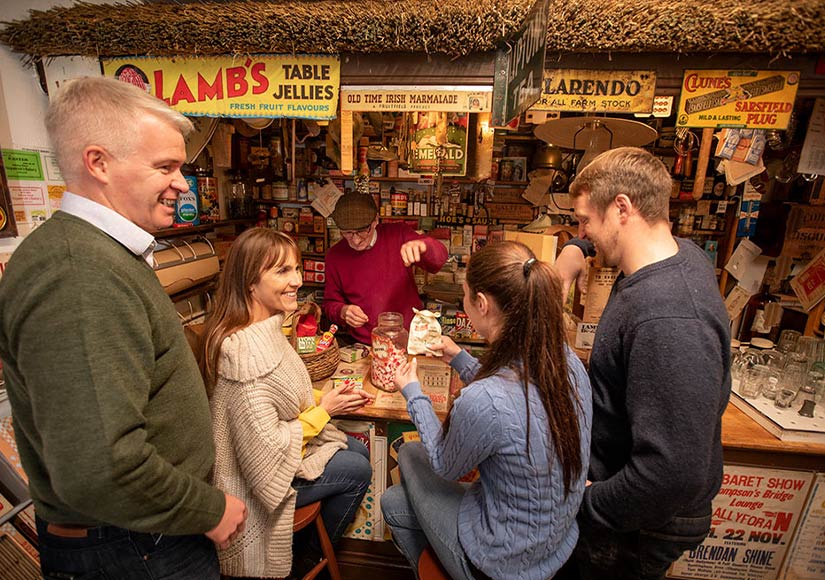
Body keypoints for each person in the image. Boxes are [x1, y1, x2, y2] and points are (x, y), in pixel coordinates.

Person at [0, 76, 247, 579]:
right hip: (133, 548)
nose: (182, 183)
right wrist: (208, 510)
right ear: (98, 163)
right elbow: (100, 466)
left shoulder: (103, 254)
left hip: (144, 537)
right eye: (166, 167)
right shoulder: (78, 273)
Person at [556, 147, 731, 580]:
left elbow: (672, 473)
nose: (582, 231)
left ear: (621, 208)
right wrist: (576, 251)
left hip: (637, 524)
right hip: (634, 506)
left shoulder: (668, 318)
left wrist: (589, 504)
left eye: (585, 221)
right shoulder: (679, 255)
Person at [380, 241, 592, 580]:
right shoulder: (566, 361)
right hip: (556, 545)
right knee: (397, 497)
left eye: (465, 296)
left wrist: (412, 392)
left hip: (503, 561)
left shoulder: (483, 400)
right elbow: (516, 393)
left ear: (481, 303)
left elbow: (446, 465)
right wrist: (459, 356)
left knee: (408, 456)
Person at [199, 227, 374, 579]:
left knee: (357, 449)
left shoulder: (268, 327)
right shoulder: (241, 353)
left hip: (279, 456)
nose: (296, 280)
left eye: (296, 268)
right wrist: (326, 411)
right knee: (358, 469)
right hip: (253, 482)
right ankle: (303, 559)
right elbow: (263, 452)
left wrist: (330, 398)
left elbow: (284, 398)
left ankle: (305, 545)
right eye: (282, 271)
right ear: (250, 283)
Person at [323, 190, 448, 343]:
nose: (355, 240)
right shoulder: (335, 255)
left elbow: (439, 259)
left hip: (408, 339)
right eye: (347, 233)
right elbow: (329, 303)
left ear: (375, 220)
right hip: (365, 343)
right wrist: (343, 311)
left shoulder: (398, 234)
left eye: (362, 231)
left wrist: (424, 245)